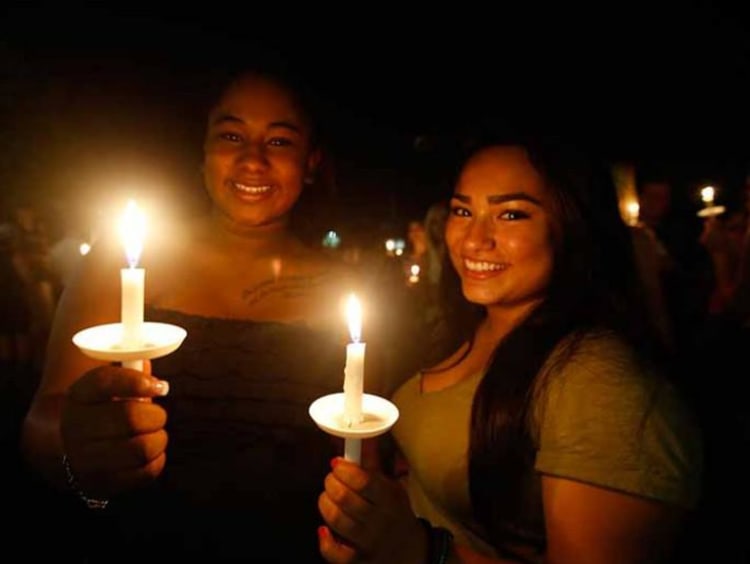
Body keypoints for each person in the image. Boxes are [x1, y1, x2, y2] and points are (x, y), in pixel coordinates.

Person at [20, 64, 366, 562]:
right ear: (203, 153)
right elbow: (43, 421)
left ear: (311, 162)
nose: (252, 160)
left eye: (280, 141)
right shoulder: (122, 262)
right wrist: (79, 448)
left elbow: (360, 455)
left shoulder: (344, 291)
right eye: (231, 135)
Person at [316, 136, 704, 563]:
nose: (473, 239)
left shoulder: (601, 382)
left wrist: (419, 550)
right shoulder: (468, 329)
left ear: (573, 227)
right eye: (463, 210)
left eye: (511, 214)